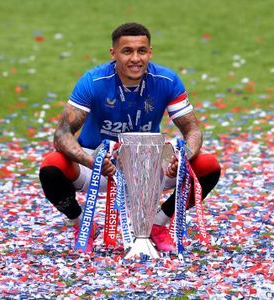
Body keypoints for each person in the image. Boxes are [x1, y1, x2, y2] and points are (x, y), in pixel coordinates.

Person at [39, 22, 221, 253]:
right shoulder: (93, 81)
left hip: (148, 160)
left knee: (208, 165)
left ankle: (158, 223)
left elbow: (192, 130)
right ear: (113, 54)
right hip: (98, 162)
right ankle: (83, 224)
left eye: (141, 51)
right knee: (51, 167)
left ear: (150, 52)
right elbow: (62, 133)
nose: (135, 58)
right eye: (127, 51)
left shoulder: (167, 80)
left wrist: (183, 156)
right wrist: (91, 161)